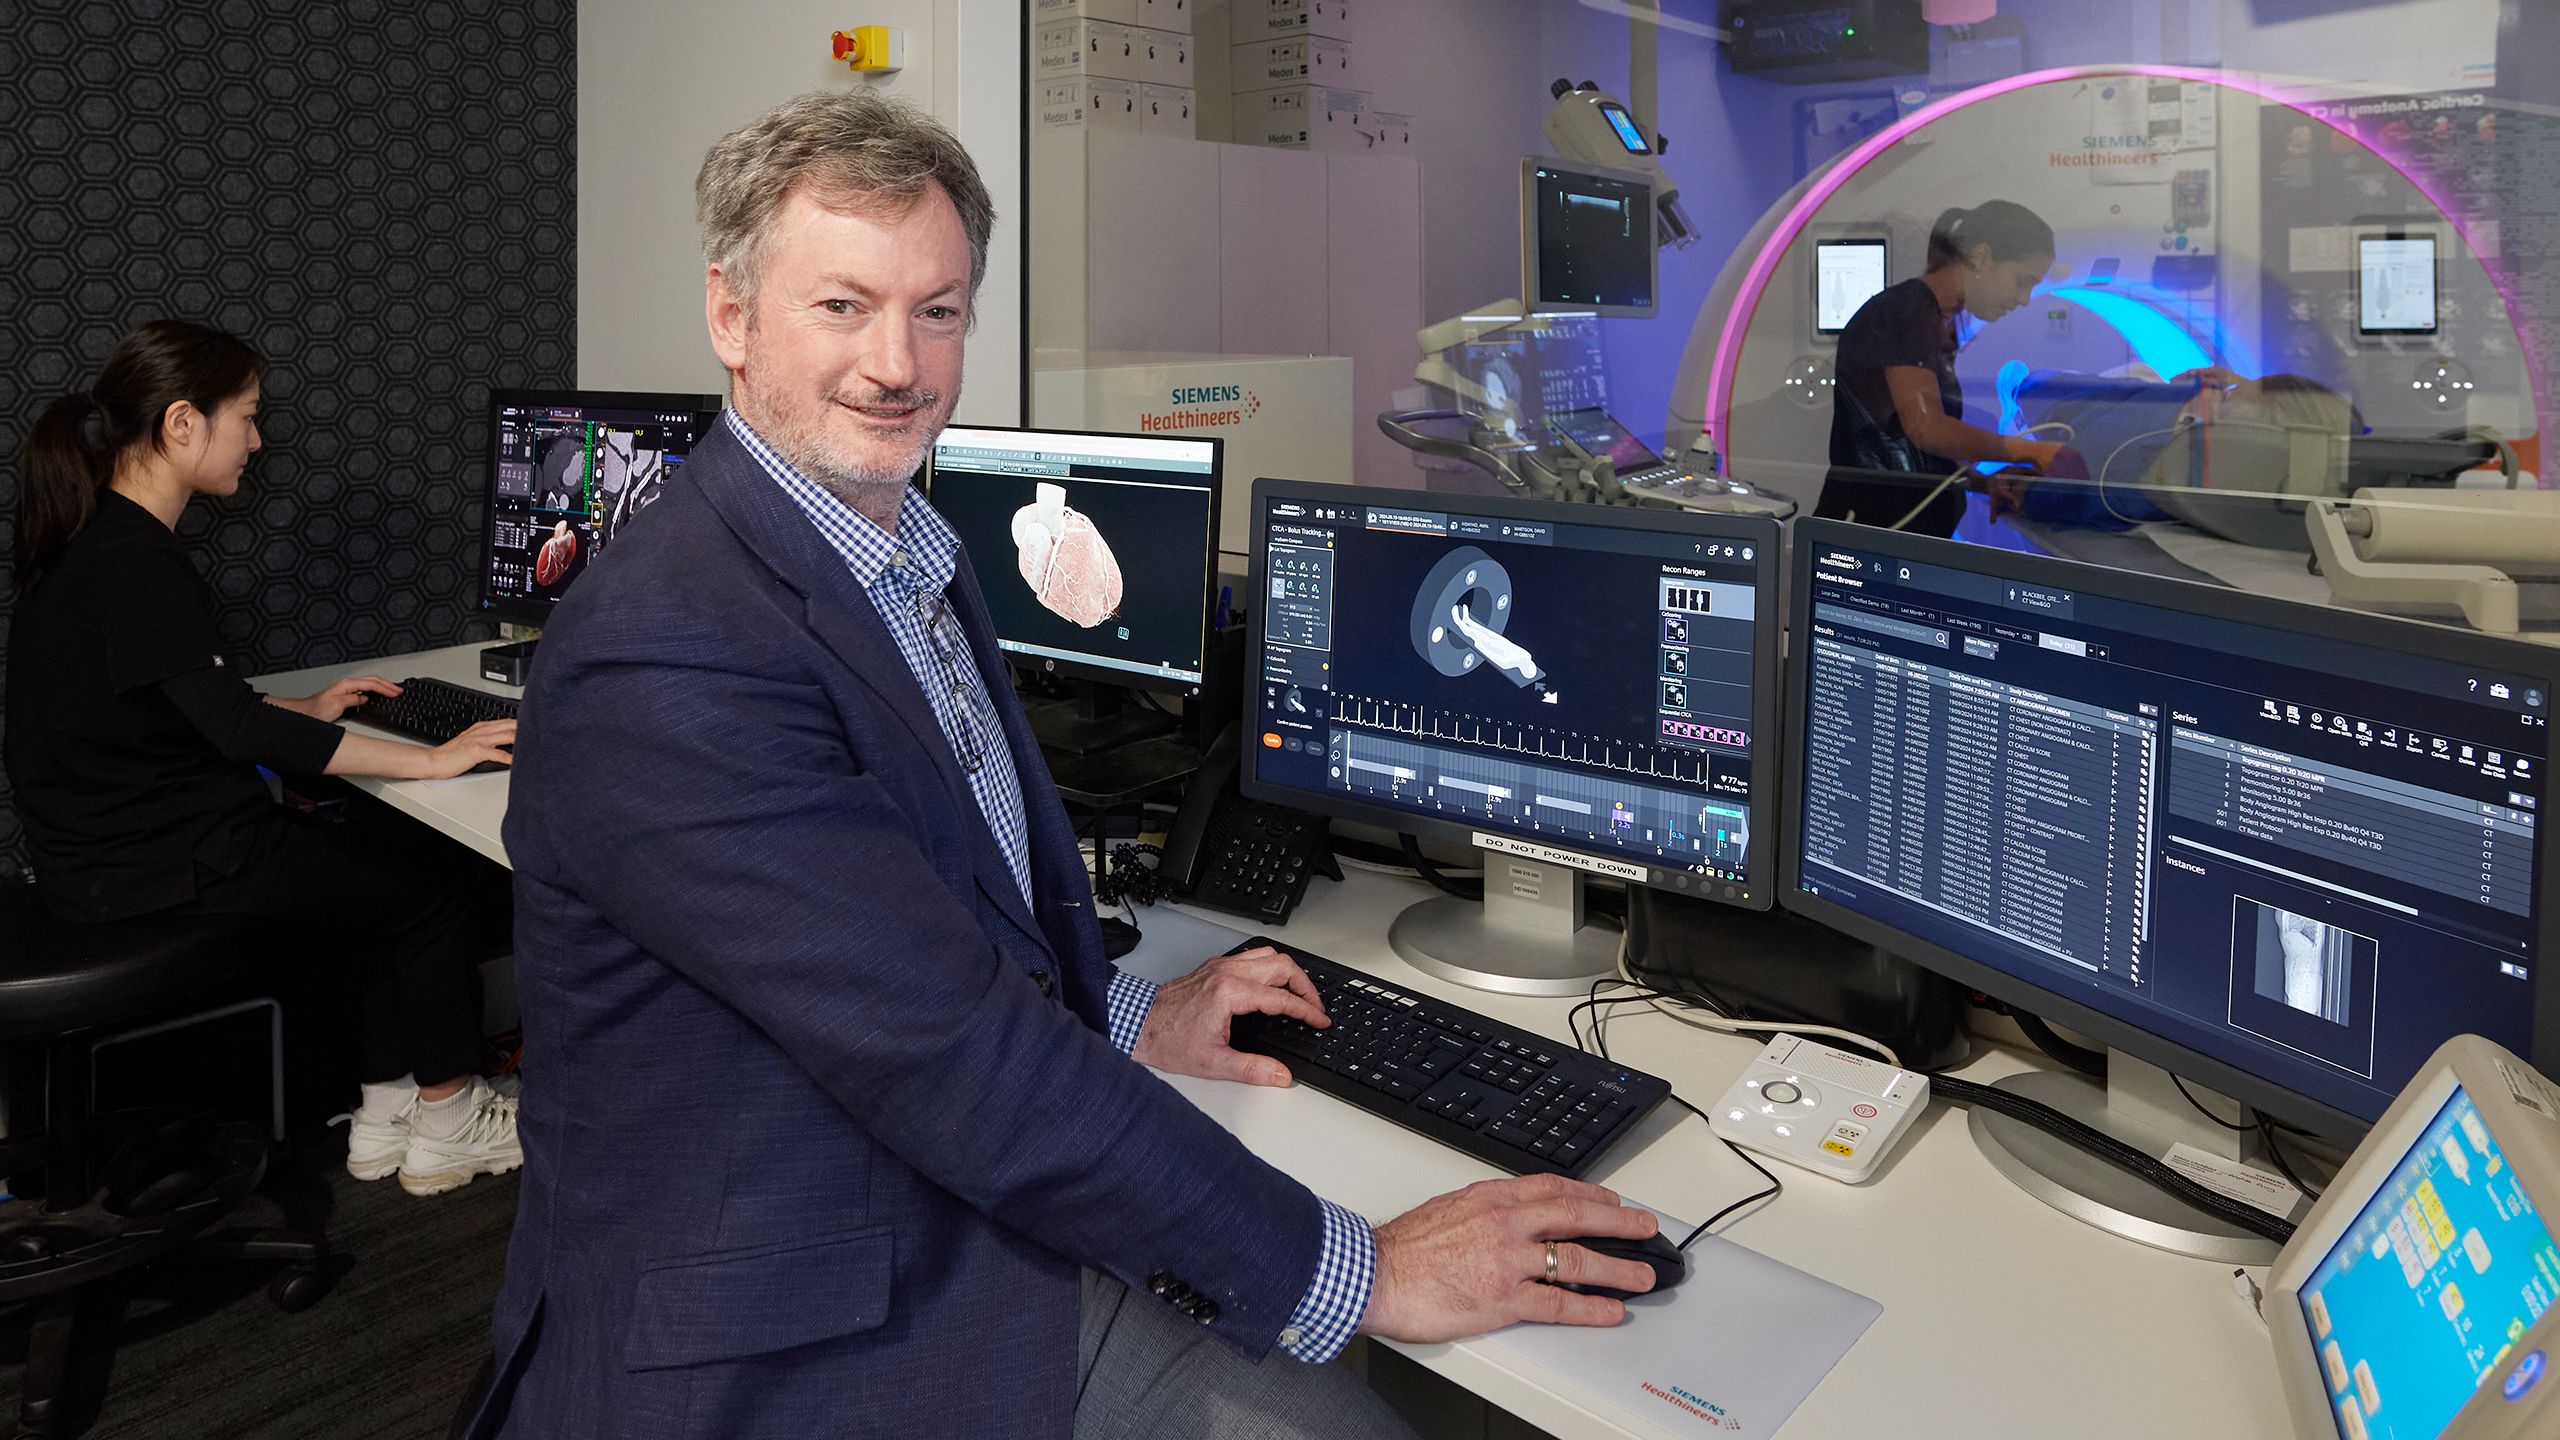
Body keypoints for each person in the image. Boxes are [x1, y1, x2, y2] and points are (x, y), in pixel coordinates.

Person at [464, 91, 1664, 1440]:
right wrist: (1363, 1269)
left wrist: (1130, 1013)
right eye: (842, 307)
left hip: (902, 1180)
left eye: (939, 310)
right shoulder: (673, 650)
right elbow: (949, 1052)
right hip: (797, 1303)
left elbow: (923, 913)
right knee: (1347, 1419)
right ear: (732, 318)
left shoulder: (901, 547)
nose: (899, 363)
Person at [5, 320, 523, 1197]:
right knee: (427, 892)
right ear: (180, 425)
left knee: (367, 876)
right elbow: (240, 736)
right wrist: (435, 761)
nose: (256, 438)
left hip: (102, 850)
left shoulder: (99, 541)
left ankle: (386, 1111)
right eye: (245, 416)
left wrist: (304, 708)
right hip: (157, 862)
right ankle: (450, 1114)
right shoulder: (139, 564)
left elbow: (183, 707)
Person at [1816, 200, 2069, 536]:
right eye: (2022, 281)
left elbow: (1909, 446)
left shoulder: (1939, 320)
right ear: (1980, 258)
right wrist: (2032, 450)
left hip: (1903, 529)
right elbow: (1927, 429)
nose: (2024, 298)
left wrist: (1982, 482)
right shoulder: (1903, 311)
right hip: (1867, 527)